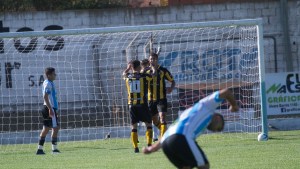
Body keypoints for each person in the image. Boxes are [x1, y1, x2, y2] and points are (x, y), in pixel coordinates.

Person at [143, 89, 239, 169]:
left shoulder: (187, 116)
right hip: (181, 138)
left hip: (166, 144)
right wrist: (233, 105)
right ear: (218, 118)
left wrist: (152, 148)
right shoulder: (208, 105)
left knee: (187, 167)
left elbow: (169, 132)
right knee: (204, 166)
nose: (216, 131)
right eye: (218, 128)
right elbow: (226, 92)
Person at [123, 60, 154, 153]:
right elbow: (152, 76)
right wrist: (146, 69)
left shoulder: (128, 76)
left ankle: (136, 148)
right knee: (148, 124)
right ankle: (149, 144)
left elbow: (124, 73)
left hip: (132, 105)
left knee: (134, 126)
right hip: (142, 104)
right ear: (139, 66)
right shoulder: (144, 77)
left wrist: (128, 68)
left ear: (131, 67)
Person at [146, 53, 175, 137]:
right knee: (154, 121)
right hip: (150, 100)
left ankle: (163, 139)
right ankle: (167, 133)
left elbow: (172, 81)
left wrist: (171, 88)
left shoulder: (163, 70)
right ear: (149, 60)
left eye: (154, 59)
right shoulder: (145, 71)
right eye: (151, 59)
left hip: (161, 99)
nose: (152, 60)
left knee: (162, 117)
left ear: (157, 60)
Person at [36, 67, 60, 155]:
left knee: (48, 128)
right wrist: (50, 109)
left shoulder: (49, 82)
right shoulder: (48, 84)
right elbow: (45, 97)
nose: (55, 75)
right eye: (54, 74)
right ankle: (54, 150)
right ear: (49, 75)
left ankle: (40, 149)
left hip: (49, 108)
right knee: (54, 127)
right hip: (49, 108)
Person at [141, 59, 159, 142]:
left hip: (149, 98)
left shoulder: (143, 72)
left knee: (151, 119)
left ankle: (154, 136)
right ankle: (154, 136)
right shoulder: (145, 71)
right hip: (148, 98)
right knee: (151, 119)